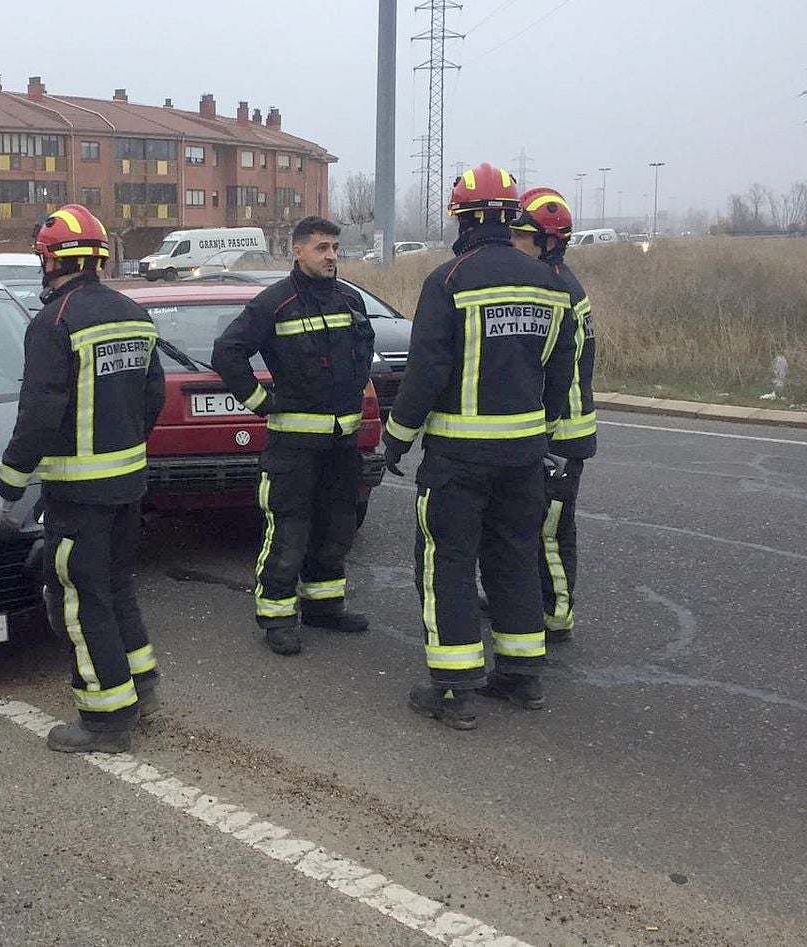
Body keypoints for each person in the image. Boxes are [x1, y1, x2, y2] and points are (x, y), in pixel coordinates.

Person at [381, 162, 575, 730]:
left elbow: (426, 370)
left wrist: (394, 441)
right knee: (515, 558)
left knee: (449, 566)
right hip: (524, 457)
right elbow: (561, 373)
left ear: (461, 220)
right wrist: (543, 430)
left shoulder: (449, 281)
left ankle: (453, 691)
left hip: (458, 459)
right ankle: (522, 677)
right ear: (512, 217)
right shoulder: (550, 282)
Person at [0, 204, 165, 754]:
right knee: (116, 586)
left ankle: (105, 717)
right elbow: (154, 393)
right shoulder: (134, 314)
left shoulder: (54, 323)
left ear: (49, 260)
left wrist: (8, 484)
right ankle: (141, 680)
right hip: (128, 482)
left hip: (78, 492)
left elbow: (39, 412)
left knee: (79, 597)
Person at [212, 216, 376, 656]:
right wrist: (260, 402)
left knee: (337, 526)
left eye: (335, 248)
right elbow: (227, 352)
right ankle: (278, 617)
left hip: (343, 444)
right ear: (297, 252)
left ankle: (324, 606)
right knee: (289, 531)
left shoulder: (349, 298)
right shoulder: (274, 304)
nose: (331, 256)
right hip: (294, 447)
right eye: (322, 248)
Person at [509, 187, 596, 643]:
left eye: (523, 236)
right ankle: (530, 598)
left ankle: (556, 613)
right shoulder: (552, 279)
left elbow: (551, 368)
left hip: (562, 432)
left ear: (548, 242)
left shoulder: (556, 288)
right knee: (532, 523)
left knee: (550, 530)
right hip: (551, 428)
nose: (513, 242)